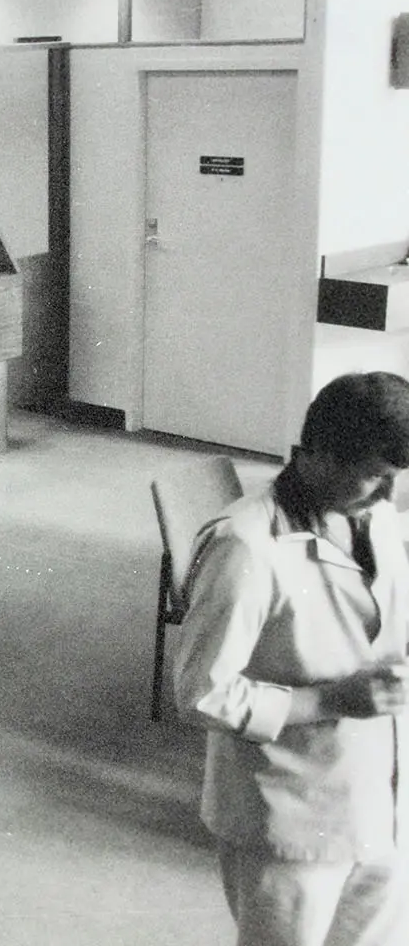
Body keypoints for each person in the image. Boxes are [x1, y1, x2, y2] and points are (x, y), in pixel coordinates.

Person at [174, 370, 409, 946]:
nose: (387, 495)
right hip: (291, 817)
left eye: (395, 479)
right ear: (317, 455)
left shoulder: (374, 517)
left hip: (381, 797)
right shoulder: (245, 547)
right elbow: (202, 692)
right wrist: (326, 699)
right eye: (373, 477)